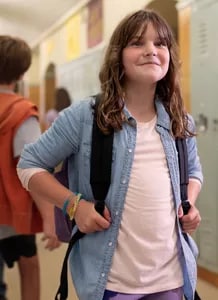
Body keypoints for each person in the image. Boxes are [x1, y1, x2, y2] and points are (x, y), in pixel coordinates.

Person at [17, 9, 203, 300]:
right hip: (111, 283)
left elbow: (193, 171)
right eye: (137, 43)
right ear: (118, 55)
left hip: (172, 278)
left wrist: (188, 201)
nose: (151, 51)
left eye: (160, 44)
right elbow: (29, 165)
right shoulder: (85, 117)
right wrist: (74, 206)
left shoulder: (181, 121)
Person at [0, 35, 60, 300]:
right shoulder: (22, 112)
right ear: (22, 72)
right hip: (12, 213)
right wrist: (49, 218)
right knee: (30, 269)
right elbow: (32, 169)